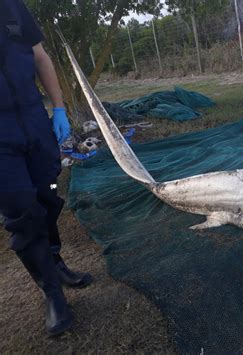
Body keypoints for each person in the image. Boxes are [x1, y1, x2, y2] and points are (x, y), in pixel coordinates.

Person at [0, 0, 92, 336]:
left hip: (35, 121)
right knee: (23, 213)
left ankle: (55, 262)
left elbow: (40, 57)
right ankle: (51, 293)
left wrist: (59, 109)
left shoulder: (11, 7)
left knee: (48, 196)